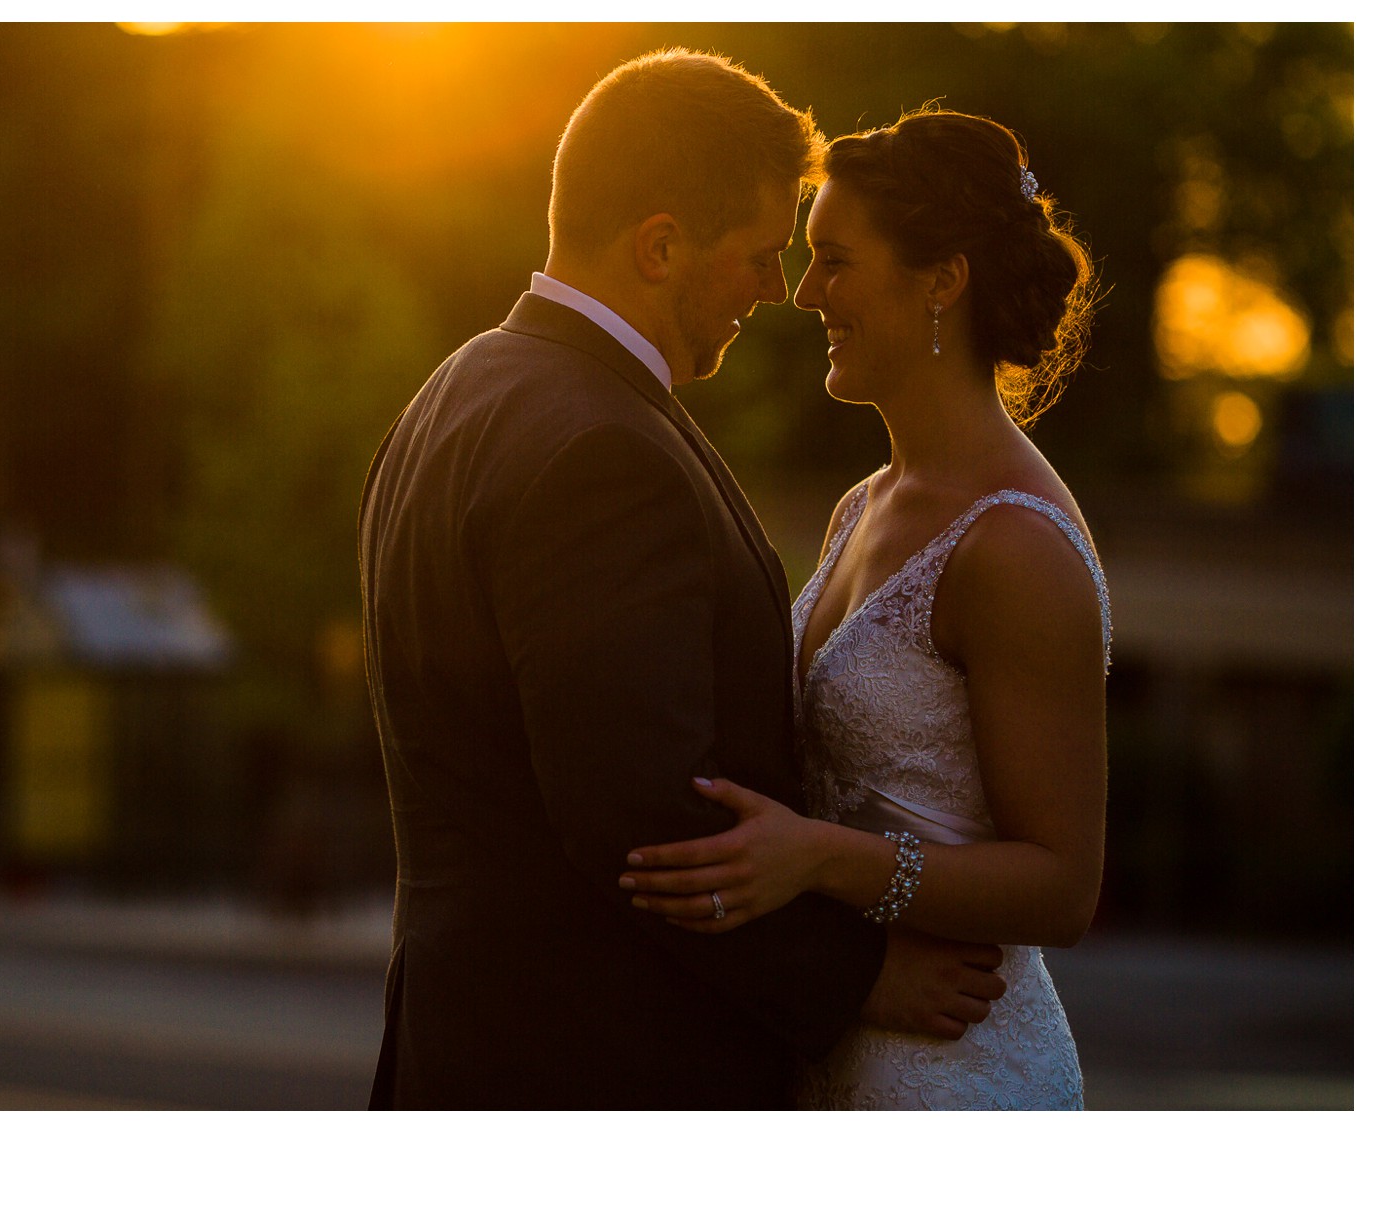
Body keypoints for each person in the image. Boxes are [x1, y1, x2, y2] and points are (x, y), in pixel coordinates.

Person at [358, 54, 1007, 1109]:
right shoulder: (600, 452)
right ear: (660, 245)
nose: (778, 289)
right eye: (758, 255)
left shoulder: (462, 386)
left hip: (467, 1050)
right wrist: (856, 979)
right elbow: (641, 815)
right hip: (594, 1070)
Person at [620, 107, 1106, 1109]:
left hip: (954, 1069)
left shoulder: (1014, 547)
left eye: (833, 262)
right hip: (842, 1038)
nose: (803, 296)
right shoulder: (864, 504)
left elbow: (1062, 887)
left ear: (941, 280)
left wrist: (816, 861)